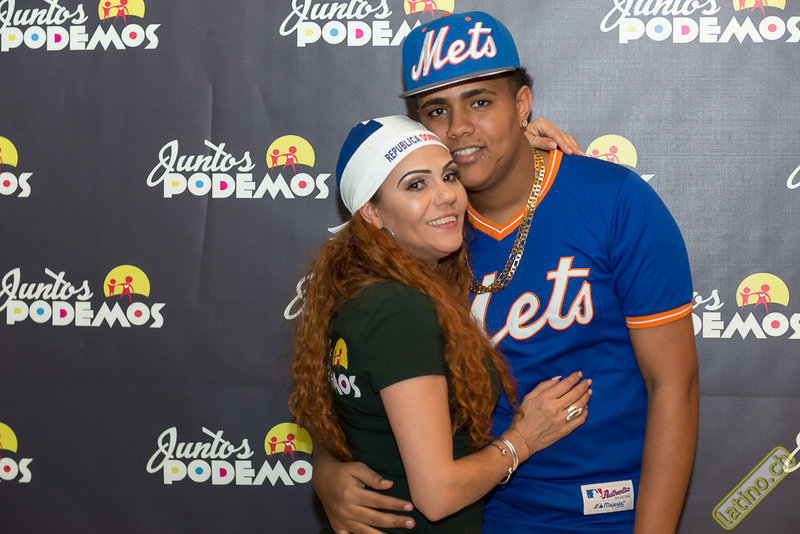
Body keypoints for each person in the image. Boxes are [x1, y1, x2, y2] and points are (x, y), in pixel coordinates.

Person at [313, 11, 698, 534]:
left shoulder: (614, 200)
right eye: (436, 110)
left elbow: (674, 384)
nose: (458, 127)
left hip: (603, 513)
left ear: (521, 105)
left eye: (480, 102)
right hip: (471, 514)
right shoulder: (425, 231)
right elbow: (358, 378)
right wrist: (326, 468)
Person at [291, 115, 592, 533]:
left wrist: (513, 141)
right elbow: (437, 495)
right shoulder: (398, 308)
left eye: (449, 176)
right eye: (416, 185)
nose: (446, 195)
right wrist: (524, 438)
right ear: (372, 213)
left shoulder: (362, 290)